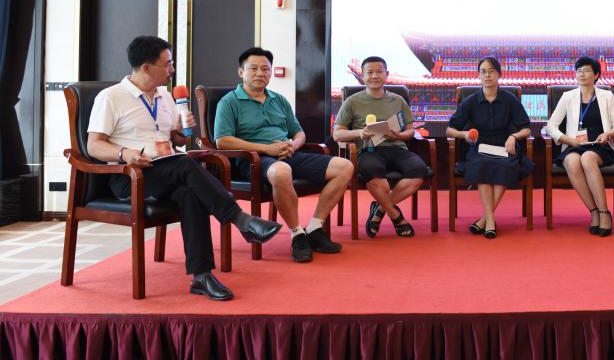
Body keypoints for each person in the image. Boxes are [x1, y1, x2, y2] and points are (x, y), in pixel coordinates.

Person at [86, 36, 282, 301]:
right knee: (185, 164)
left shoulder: (166, 96)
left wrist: (180, 131)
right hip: (131, 177)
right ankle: (241, 220)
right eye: (167, 64)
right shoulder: (111, 97)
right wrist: (124, 153)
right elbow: (94, 146)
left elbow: (175, 141)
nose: (172, 69)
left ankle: (202, 276)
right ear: (146, 67)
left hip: (167, 169)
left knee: (190, 192)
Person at [214, 47, 354, 263]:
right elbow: (223, 140)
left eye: (265, 69)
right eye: (253, 68)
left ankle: (314, 228)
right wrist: (266, 149)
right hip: (253, 160)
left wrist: (293, 145)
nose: (260, 73)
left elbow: (299, 132)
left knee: (344, 167)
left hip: (288, 153)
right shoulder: (229, 102)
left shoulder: (278, 100)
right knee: (281, 171)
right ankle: (297, 234)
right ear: (241, 72)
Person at [332, 56, 426, 238]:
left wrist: (398, 135)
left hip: (397, 147)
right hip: (369, 150)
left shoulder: (398, 100)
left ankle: (380, 209)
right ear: (363, 76)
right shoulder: (352, 101)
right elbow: (337, 134)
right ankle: (397, 217)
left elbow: (410, 131)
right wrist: (360, 133)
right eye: (370, 72)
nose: (374, 76)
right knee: (374, 173)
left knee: (419, 171)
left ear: (386, 74)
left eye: (379, 72)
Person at [447, 57, 534, 238]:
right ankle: (490, 220)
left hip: (505, 145)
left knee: (505, 165)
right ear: (479, 76)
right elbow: (450, 129)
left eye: (491, 71)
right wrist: (464, 135)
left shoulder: (510, 100)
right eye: (483, 71)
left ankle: (484, 220)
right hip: (481, 146)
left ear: (499, 74)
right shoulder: (470, 101)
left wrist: (513, 136)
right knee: (482, 165)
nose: (487, 75)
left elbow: (526, 128)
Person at [546, 56, 614, 236]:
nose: (581, 74)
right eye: (579, 71)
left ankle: (604, 212)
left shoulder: (607, 96)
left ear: (596, 75)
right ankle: (594, 211)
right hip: (574, 144)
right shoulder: (567, 97)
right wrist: (567, 140)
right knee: (572, 161)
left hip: (599, 144)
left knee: (587, 158)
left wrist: (608, 134)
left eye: (587, 70)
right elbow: (551, 126)